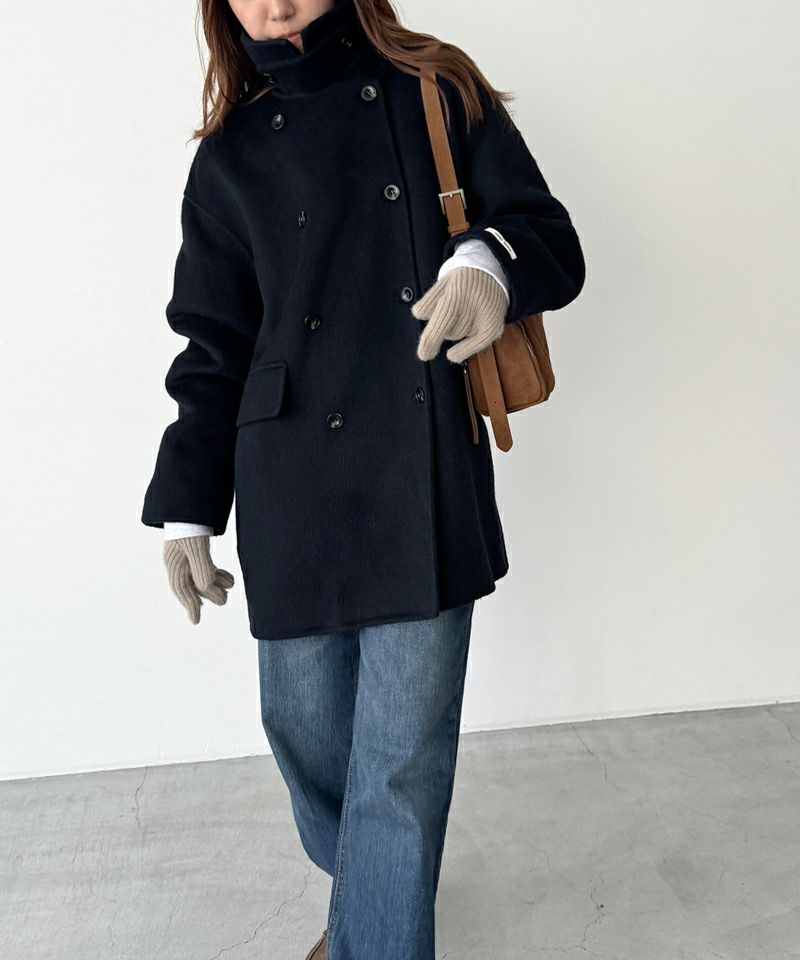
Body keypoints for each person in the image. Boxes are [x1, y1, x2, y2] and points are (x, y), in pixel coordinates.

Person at [141, 1, 585, 956]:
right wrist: (185, 508)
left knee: (399, 765)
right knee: (302, 732)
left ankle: (374, 934)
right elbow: (212, 346)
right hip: (287, 478)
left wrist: (488, 262)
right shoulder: (228, 157)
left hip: (418, 463)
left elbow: (548, 232)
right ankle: (372, 890)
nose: (275, 5)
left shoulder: (436, 88)